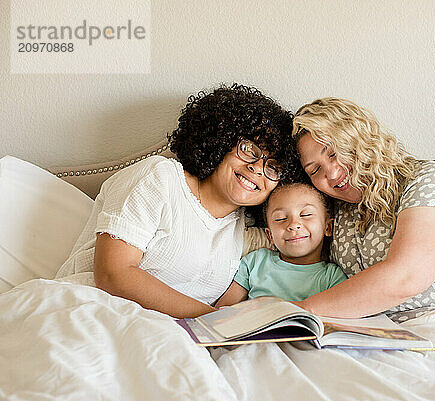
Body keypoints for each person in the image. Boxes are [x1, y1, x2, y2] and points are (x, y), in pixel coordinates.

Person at [54, 84, 299, 318]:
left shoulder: (240, 228)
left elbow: (300, 234)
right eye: (249, 150)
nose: (257, 168)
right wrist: (213, 320)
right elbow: (112, 274)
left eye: (273, 167)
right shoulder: (159, 178)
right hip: (88, 310)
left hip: (171, 337)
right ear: (222, 140)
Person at [290, 97, 435, 321]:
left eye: (334, 153)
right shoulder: (335, 215)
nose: (330, 173)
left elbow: (406, 277)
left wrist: (299, 310)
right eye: (315, 169)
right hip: (384, 335)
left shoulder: (429, 179)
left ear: (360, 141)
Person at [215, 183, 347, 307]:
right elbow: (223, 311)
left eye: (306, 215)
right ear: (270, 235)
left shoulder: (332, 277)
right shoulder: (256, 262)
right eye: (281, 219)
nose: (293, 225)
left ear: (328, 227)